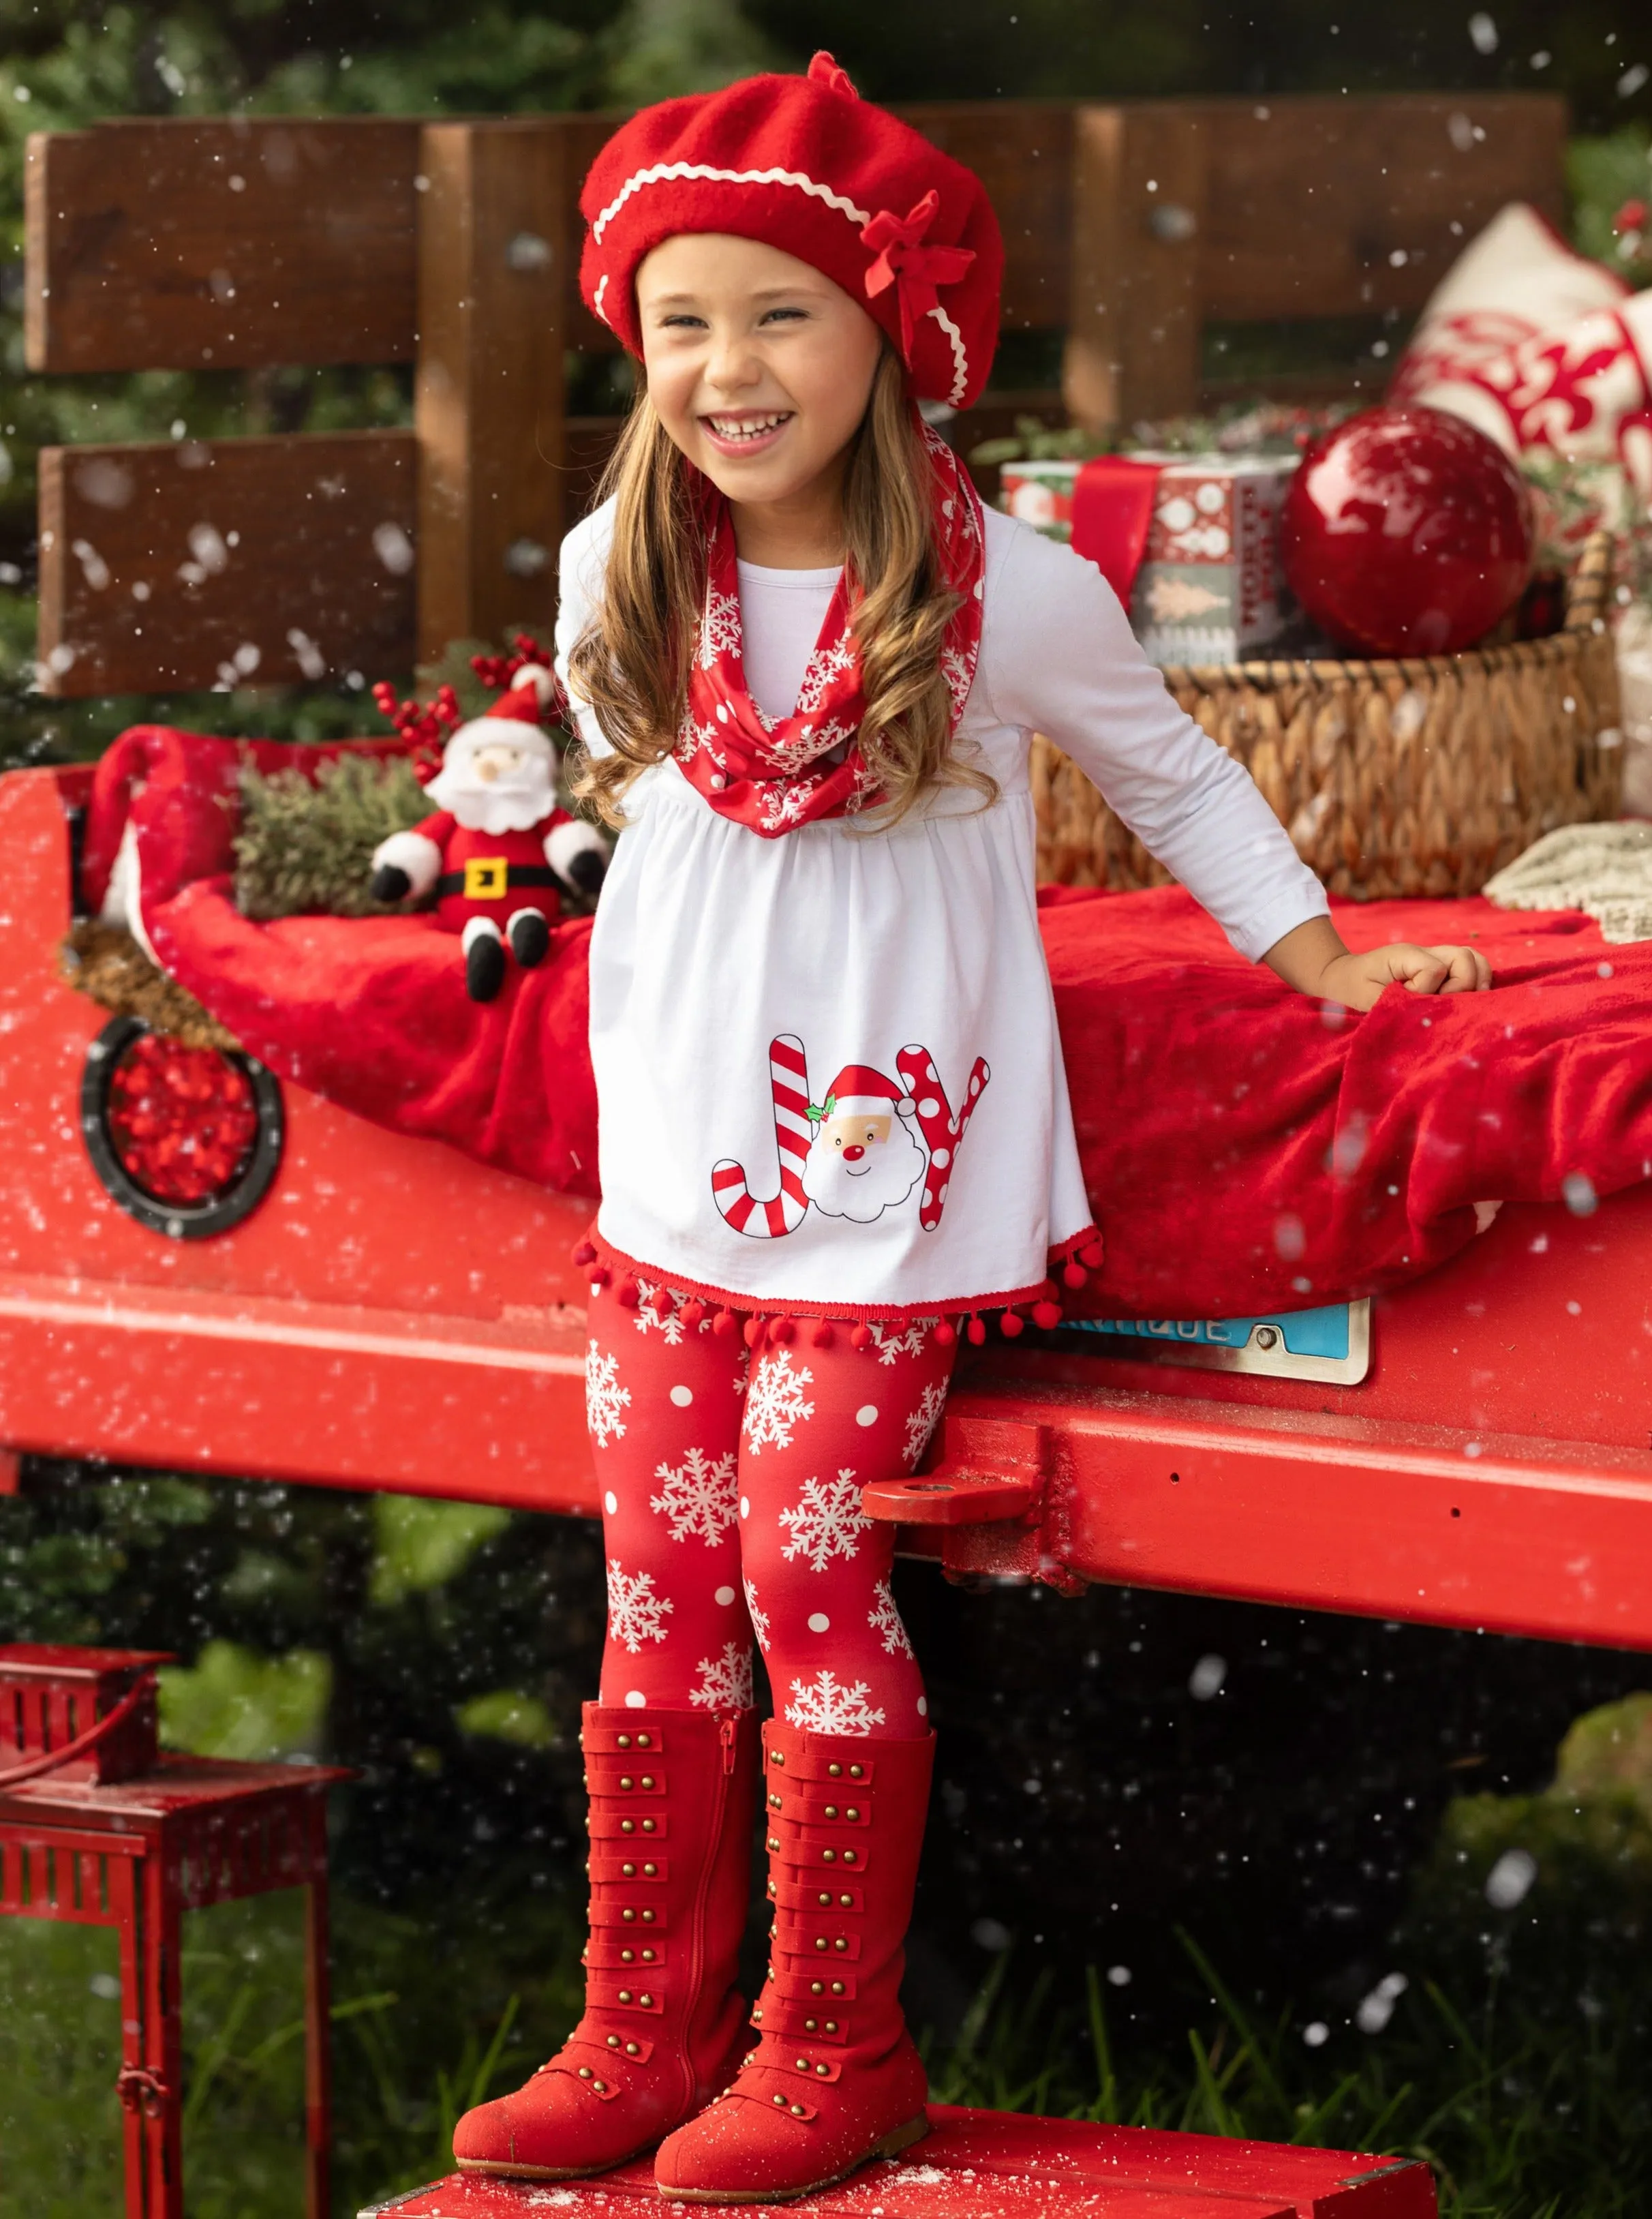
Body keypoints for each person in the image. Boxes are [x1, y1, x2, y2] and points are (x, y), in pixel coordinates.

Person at [453, 55, 1491, 2204]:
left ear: (886, 337)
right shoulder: (614, 570)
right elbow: (633, 787)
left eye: (782, 317)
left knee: (801, 1560)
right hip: (679, 1164)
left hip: (878, 1173)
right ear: (634, 349)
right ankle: (642, 2021)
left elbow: (1181, 774)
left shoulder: (1005, 594)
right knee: (656, 1576)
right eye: (683, 325)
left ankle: (833, 2040)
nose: (730, 372)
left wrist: (1317, 960)